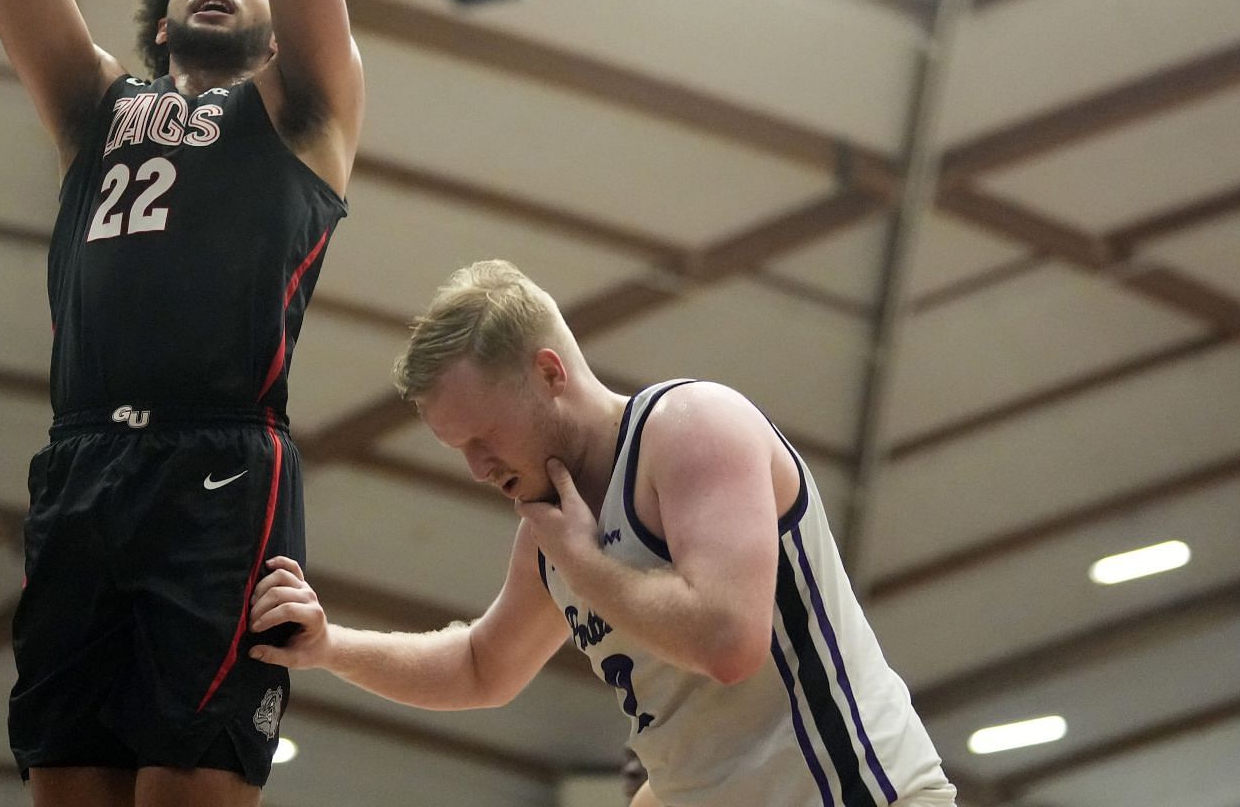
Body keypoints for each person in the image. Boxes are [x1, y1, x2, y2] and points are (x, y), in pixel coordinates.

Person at [0, 0, 363, 807]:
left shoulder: (304, 112)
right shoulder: (98, 105)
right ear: (161, 11)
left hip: (222, 471)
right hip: (81, 465)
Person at [249, 260, 955, 807]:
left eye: (484, 437)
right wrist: (330, 646)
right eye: (457, 448)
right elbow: (479, 667)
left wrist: (587, 567)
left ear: (550, 372)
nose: (475, 469)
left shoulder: (692, 427)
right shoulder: (552, 532)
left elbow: (728, 641)